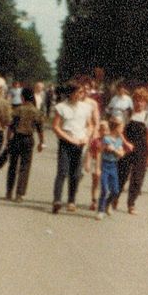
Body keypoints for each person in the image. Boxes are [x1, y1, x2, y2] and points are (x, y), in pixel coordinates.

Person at [51, 80, 94, 213]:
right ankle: (57, 200)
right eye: (79, 92)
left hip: (80, 142)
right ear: (71, 93)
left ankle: (71, 200)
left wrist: (87, 136)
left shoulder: (85, 108)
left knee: (75, 174)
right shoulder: (62, 107)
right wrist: (69, 138)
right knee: (62, 172)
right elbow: (56, 126)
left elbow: (90, 125)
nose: (81, 94)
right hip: (66, 142)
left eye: (82, 92)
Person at [112, 86, 148, 214]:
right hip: (126, 147)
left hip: (141, 150)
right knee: (121, 174)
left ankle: (131, 204)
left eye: (142, 101)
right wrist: (121, 145)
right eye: (137, 100)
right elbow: (120, 131)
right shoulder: (127, 114)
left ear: (146, 102)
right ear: (133, 100)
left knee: (138, 178)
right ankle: (115, 198)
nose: (139, 103)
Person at [5, 87, 44, 203]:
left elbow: (10, 127)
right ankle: (19, 194)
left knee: (12, 166)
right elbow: (40, 129)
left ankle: (9, 191)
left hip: (16, 138)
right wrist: (42, 142)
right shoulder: (37, 112)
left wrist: (8, 140)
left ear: (22, 97)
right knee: (25, 167)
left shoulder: (17, 110)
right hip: (28, 140)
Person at [96, 116, 127, 220]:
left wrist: (115, 150)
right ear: (116, 128)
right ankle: (100, 210)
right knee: (104, 189)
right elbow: (100, 152)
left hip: (113, 166)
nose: (122, 130)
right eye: (121, 127)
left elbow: (121, 153)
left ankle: (107, 205)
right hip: (105, 165)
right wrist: (98, 168)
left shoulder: (119, 140)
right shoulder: (106, 138)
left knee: (115, 191)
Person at [85, 120, 108, 210]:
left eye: (106, 130)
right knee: (95, 182)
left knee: (105, 184)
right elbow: (90, 152)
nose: (104, 132)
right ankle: (94, 200)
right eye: (102, 130)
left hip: (107, 163)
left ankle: (104, 201)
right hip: (96, 163)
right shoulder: (96, 141)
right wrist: (88, 163)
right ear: (99, 131)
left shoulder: (110, 141)